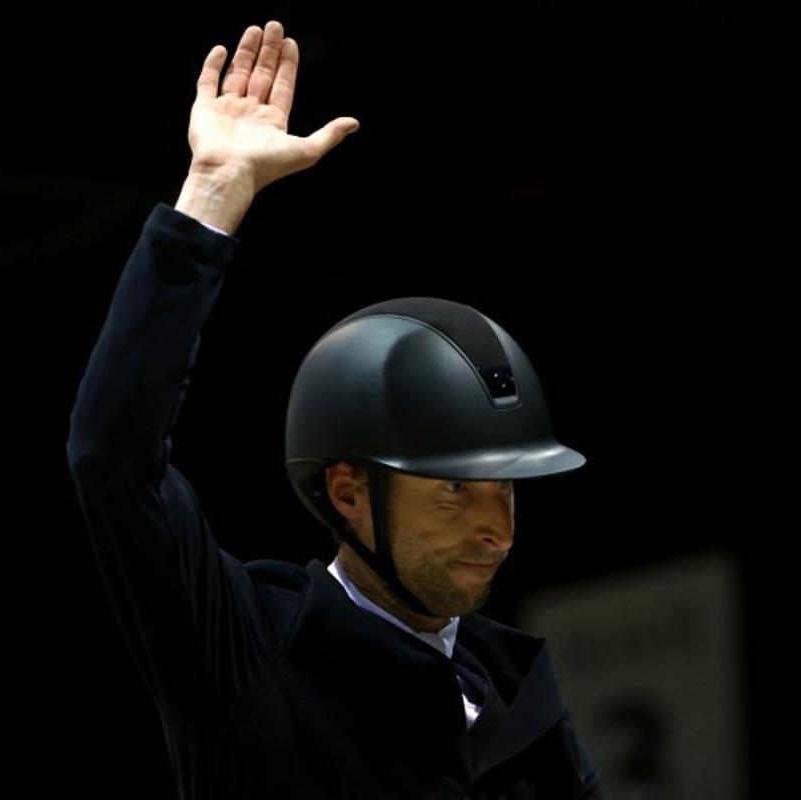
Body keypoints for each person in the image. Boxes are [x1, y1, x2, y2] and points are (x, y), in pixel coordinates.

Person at [65, 20, 603, 799]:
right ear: (349, 492)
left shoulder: (518, 697)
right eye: (455, 489)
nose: (499, 529)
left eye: (507, 488)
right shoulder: (248, 649)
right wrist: (214, 191)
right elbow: (111, 458)